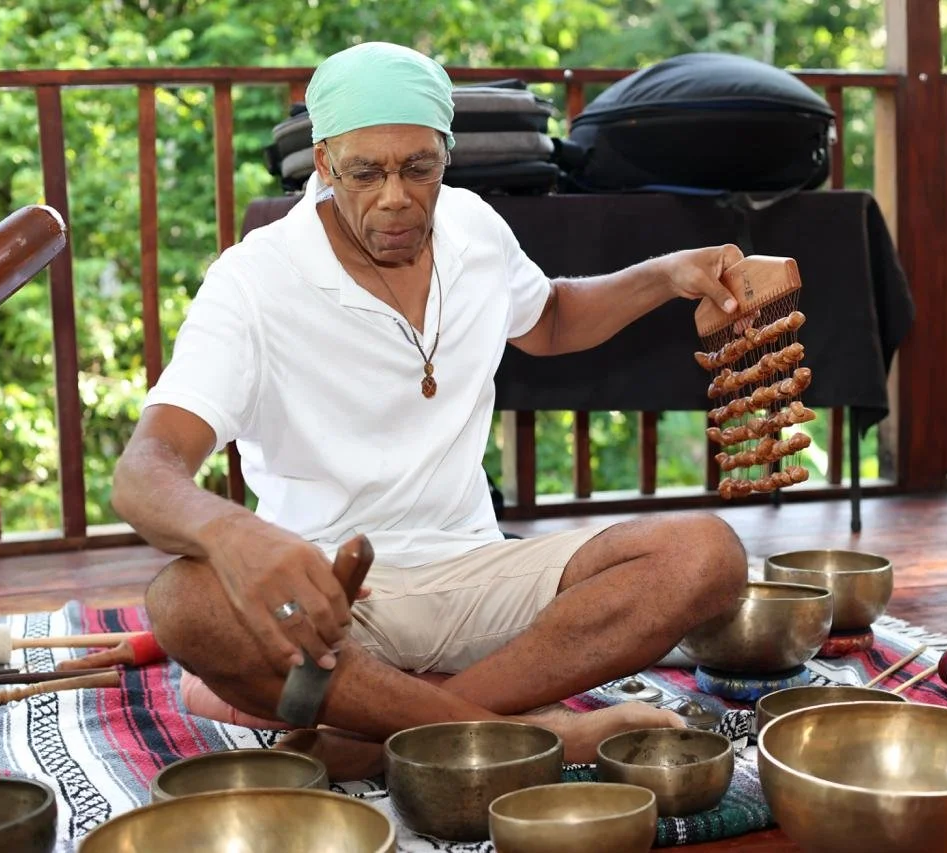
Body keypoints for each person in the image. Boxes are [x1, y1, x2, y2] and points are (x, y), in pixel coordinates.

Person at [112, 41, 751, 780]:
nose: (395, 197)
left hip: (480, 571)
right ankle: (529, 734)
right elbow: (143, 470)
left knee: (704, 555)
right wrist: (235, 537)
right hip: (335, 606)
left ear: (447, 155)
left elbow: (548, 318)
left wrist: (667, 275)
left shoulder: (473, 227)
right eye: (364, 172)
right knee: (187, 602)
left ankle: (388, 735)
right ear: (322, 162)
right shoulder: (253, 281)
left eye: (419, 168)